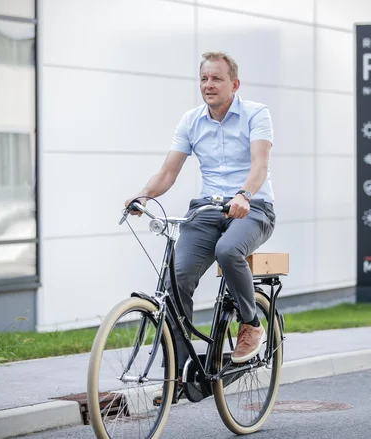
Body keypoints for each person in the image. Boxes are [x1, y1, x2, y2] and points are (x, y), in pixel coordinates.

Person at [125, 51, 276, 375]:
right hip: (208, 209)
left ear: (234, 84)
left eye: (217, 78)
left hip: (254, 207)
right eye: (204, 78)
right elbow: (168, 172)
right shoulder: (191, 120)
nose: (209, 85)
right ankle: (179, 372)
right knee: (175, 281)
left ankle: (251, 324)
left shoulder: (255, 114)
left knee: (228, 249)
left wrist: (244, 195)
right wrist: (143, 195)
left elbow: (259, 166)